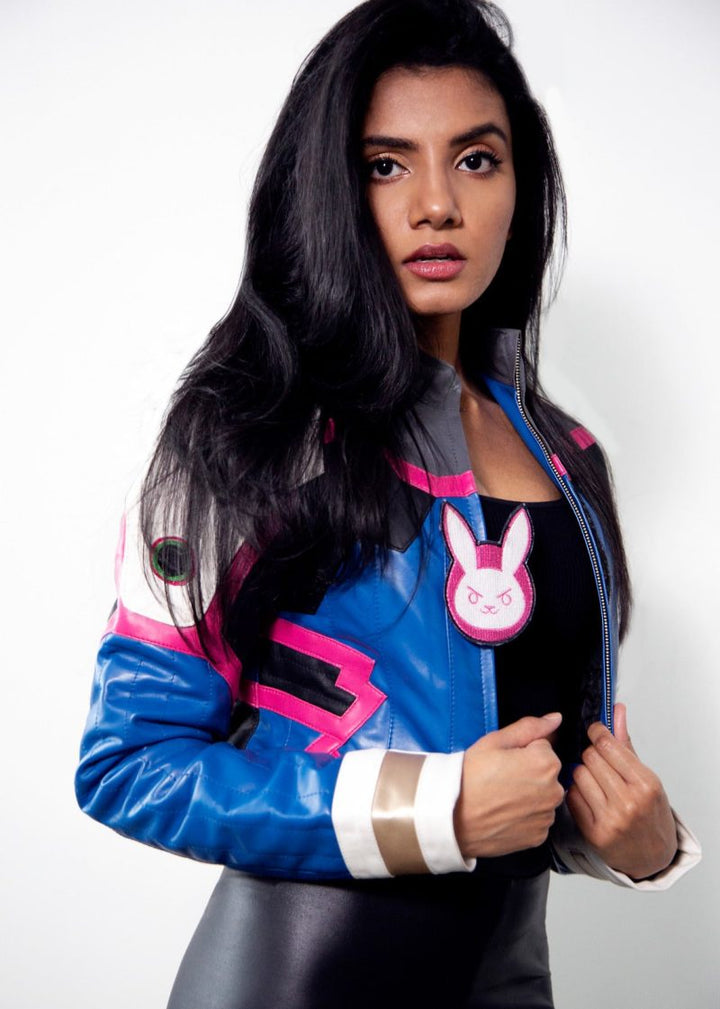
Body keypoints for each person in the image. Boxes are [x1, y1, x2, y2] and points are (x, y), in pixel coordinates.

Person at [74, 1, 701, 1006]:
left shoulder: (571, 460)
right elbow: (128, 762)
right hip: (293, 980)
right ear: (330, 187)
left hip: (508, 978)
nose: (437, 206)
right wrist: (434, 807)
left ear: (521, 186)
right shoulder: (252, 433)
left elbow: (534, 767)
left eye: (476, 160)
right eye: (386, 164)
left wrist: (639, 837)